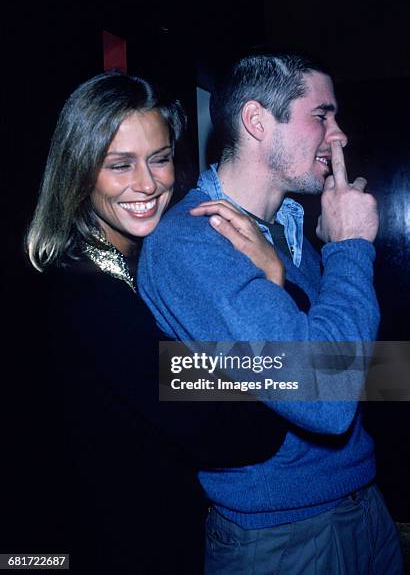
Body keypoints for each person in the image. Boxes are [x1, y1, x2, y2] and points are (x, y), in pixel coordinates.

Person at [138, 53, 404, 573]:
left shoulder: (292, 230)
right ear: (258, 122)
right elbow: (328, 397)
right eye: (322, 115)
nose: (339, 134)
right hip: (284, 537)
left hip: (363, 504)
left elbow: (371, 373)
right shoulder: (192, 241)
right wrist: (350, 249)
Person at [25, 70, 287, 574]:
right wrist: (271, 288)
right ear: (77, 172)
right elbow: (237, 433)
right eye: (119, 165)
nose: (147, 183)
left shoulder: (136, 264)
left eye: (160, 158)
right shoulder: (86, 297)